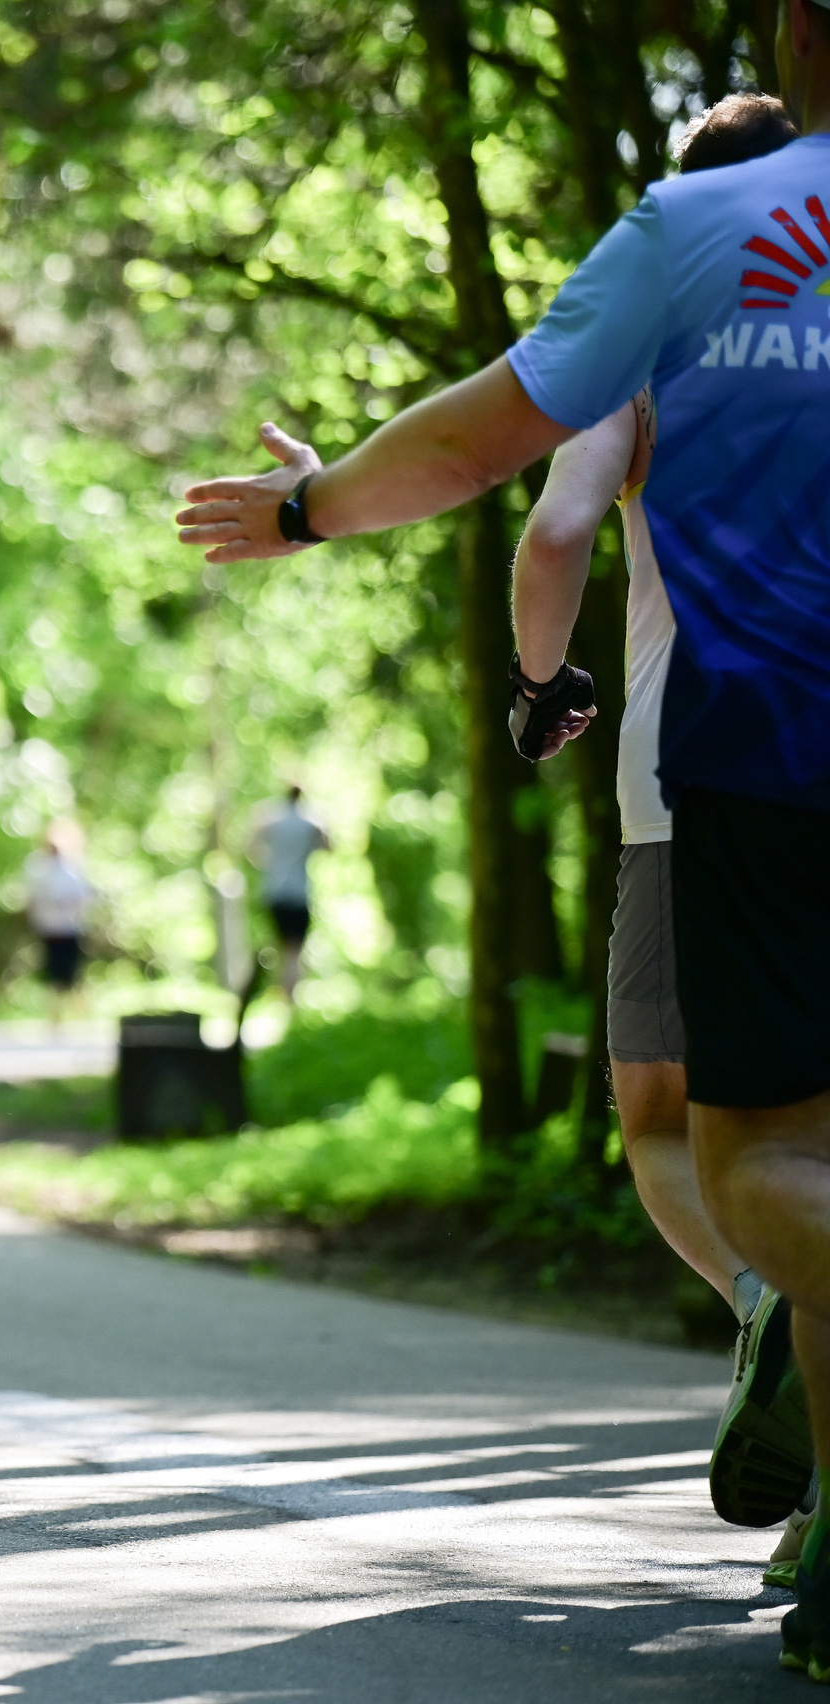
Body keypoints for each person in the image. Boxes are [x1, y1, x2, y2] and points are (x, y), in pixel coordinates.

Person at [173, 14, 830, 1674]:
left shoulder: (700, 250)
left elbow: (526, 492)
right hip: (747, 768)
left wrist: (321, 508)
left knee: (743, 1151)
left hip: (752, 764)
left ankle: (775, 1328)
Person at [502, 90, 813, 1582]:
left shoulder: (655, 345)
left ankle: (772, 1305)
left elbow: (557, 531)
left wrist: (541, 684)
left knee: (666, 1116)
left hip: (696, 780)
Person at [248, 785, 331, 998]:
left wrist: (269, 862)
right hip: (298, 893)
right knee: (294, 951)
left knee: (281, 947)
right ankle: (289, 998)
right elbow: (328, 847)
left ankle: (281, 995)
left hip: (275, 891)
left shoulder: (272, 819)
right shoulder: (310, 821)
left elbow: (252, 848)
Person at [23, 823, 94, 1030]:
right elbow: (32, 895)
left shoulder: (74, 866)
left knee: (73, 971)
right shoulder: (38, 866)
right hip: (49, 928)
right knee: (54, 971)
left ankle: (80, 1013)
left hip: (71, 927)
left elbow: (83, 895)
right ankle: (56, 1015)